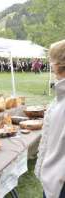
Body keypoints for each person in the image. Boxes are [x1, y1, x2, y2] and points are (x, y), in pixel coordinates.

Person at [35, 40, 65, 198]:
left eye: (52, 62)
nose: (51, 66)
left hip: (59, 182)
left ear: (58, 65)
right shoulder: (61, 94)